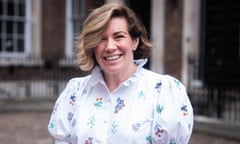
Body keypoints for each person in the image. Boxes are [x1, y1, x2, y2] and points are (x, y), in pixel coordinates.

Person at [48, 3, 193, 144]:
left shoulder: (162, 92)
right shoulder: (75, 92)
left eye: (119, 37)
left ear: (135, 41)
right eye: (101, 39)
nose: (110, 47)